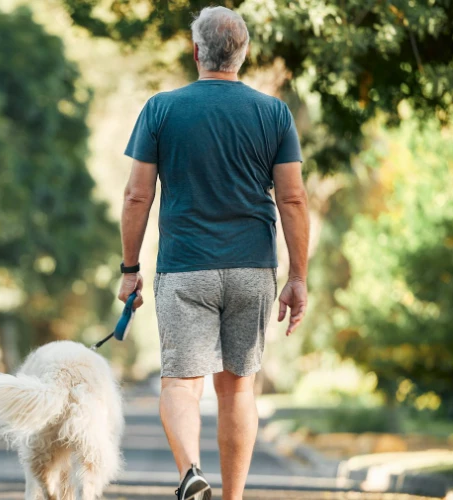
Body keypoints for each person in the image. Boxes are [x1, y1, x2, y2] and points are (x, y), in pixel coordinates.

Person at [116, 6, 310, 500]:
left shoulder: (161, 108)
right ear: (243, 55)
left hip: (185, 268)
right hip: (252, 266)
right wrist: (298, 277)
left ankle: (190, 474)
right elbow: (292, 198)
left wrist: (130, 269)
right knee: (238, 388)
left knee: (181, 383)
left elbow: (137, 196)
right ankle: (232, 497)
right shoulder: (273, 113)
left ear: (196, 50)